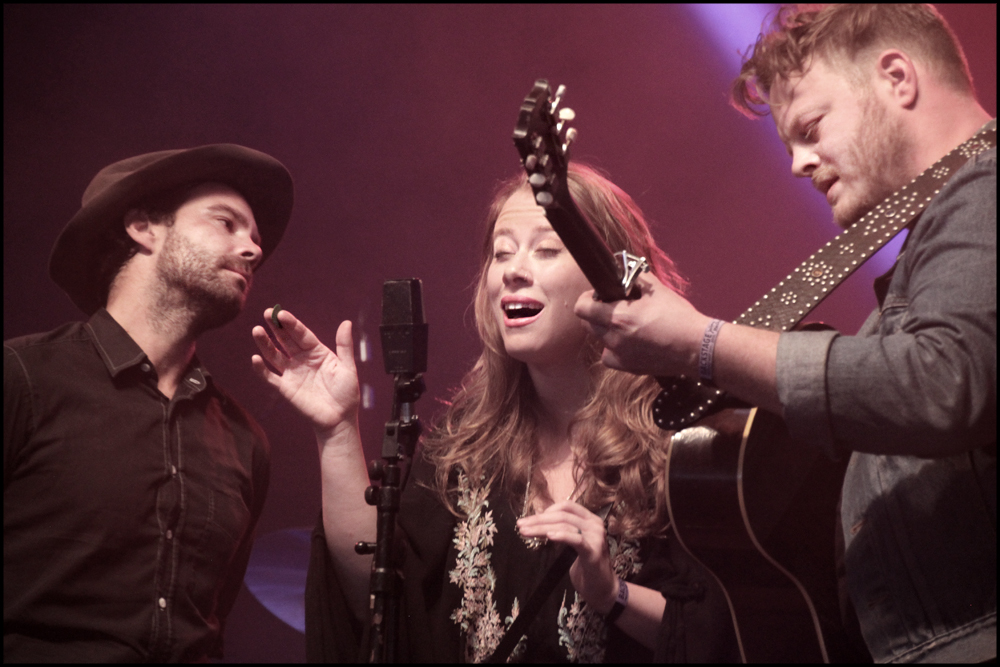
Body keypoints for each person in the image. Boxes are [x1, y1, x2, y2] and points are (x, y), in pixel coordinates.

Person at [574, 4, 995, 663]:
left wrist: (703, 344)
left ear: (896, 78)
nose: (798, 163)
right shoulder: (934, 247)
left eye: (810, 127)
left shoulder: (987, 191)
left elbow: (938, 383)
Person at [251, 164, 740, 662]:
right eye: (501, 252)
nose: (513, 269)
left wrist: (611, 593)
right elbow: (381, 601)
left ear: (614, 276)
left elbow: (733, 634)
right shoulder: (465, 447)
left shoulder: (686, 443)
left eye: (546, 250)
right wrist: (334, 430)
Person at [4, 144, 294, 662]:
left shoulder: (245, 441)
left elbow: (214, 622)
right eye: (226, 223)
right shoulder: (23, 378)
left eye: (255, 239)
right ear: (144, 228)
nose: (252, 250)